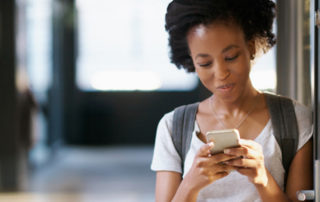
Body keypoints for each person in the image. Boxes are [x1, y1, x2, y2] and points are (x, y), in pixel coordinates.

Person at [150, 0, 313, 201]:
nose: (221, 73)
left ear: (251, 47)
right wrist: (191, 183)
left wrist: (263, 180)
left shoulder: (294, 121)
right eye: (205, 63)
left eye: (231, 57)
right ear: (191, 62)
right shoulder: (172, 127)